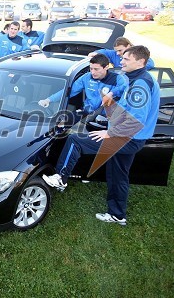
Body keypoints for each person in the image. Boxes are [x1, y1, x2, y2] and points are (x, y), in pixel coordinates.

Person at [42, 46, 160, 226]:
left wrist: (110, 132)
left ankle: (61, 178)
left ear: (140, 62)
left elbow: (137, 119)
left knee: (76, 140)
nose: (121, 62)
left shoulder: (141, 84)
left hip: (125, 138)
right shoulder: (138, 78)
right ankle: (117, 215)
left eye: (126, 59)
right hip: (130, 137)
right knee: (118, 175)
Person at [38, 54, 128, 117]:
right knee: (62, 124)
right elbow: (70, 91)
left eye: (96, 69)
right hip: (86, 113)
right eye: (91, 68)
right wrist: (49, 99)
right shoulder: (86, 77)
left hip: (106, 116)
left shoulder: (117, 79)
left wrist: (112, 93)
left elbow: (124, 89)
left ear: (106, 67)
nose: (92, 72)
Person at [89, 37, 155, 70]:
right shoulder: (114, 54)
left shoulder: (138, 54)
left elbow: (150, 64)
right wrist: (95, 53)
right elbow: (103, 51)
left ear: (128, 46)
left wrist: (132, 67)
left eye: (120, 50)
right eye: (116, 51)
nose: (117, 53)